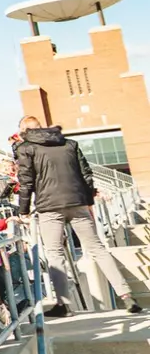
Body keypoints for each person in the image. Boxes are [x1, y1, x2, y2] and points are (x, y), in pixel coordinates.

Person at [15, 117, 141, 316]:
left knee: (55, 253)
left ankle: (63, 304)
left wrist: (22, 210)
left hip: (49, 207)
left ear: (24, 130)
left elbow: (26, 181)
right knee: (97, 248)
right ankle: (127, 296)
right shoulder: (69, 143)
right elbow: (86, 174)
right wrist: (88, 201)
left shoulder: (26, 148)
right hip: (77, 202)